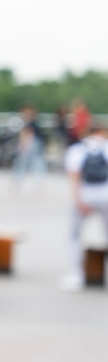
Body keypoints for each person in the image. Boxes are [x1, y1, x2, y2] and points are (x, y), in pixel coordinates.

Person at [60, 122, 108, 291]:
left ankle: (76, 274)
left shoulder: (77, 150)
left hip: (85, 196)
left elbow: (74, 177)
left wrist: (78, 200)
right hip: (105, 197)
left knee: (74, 235)